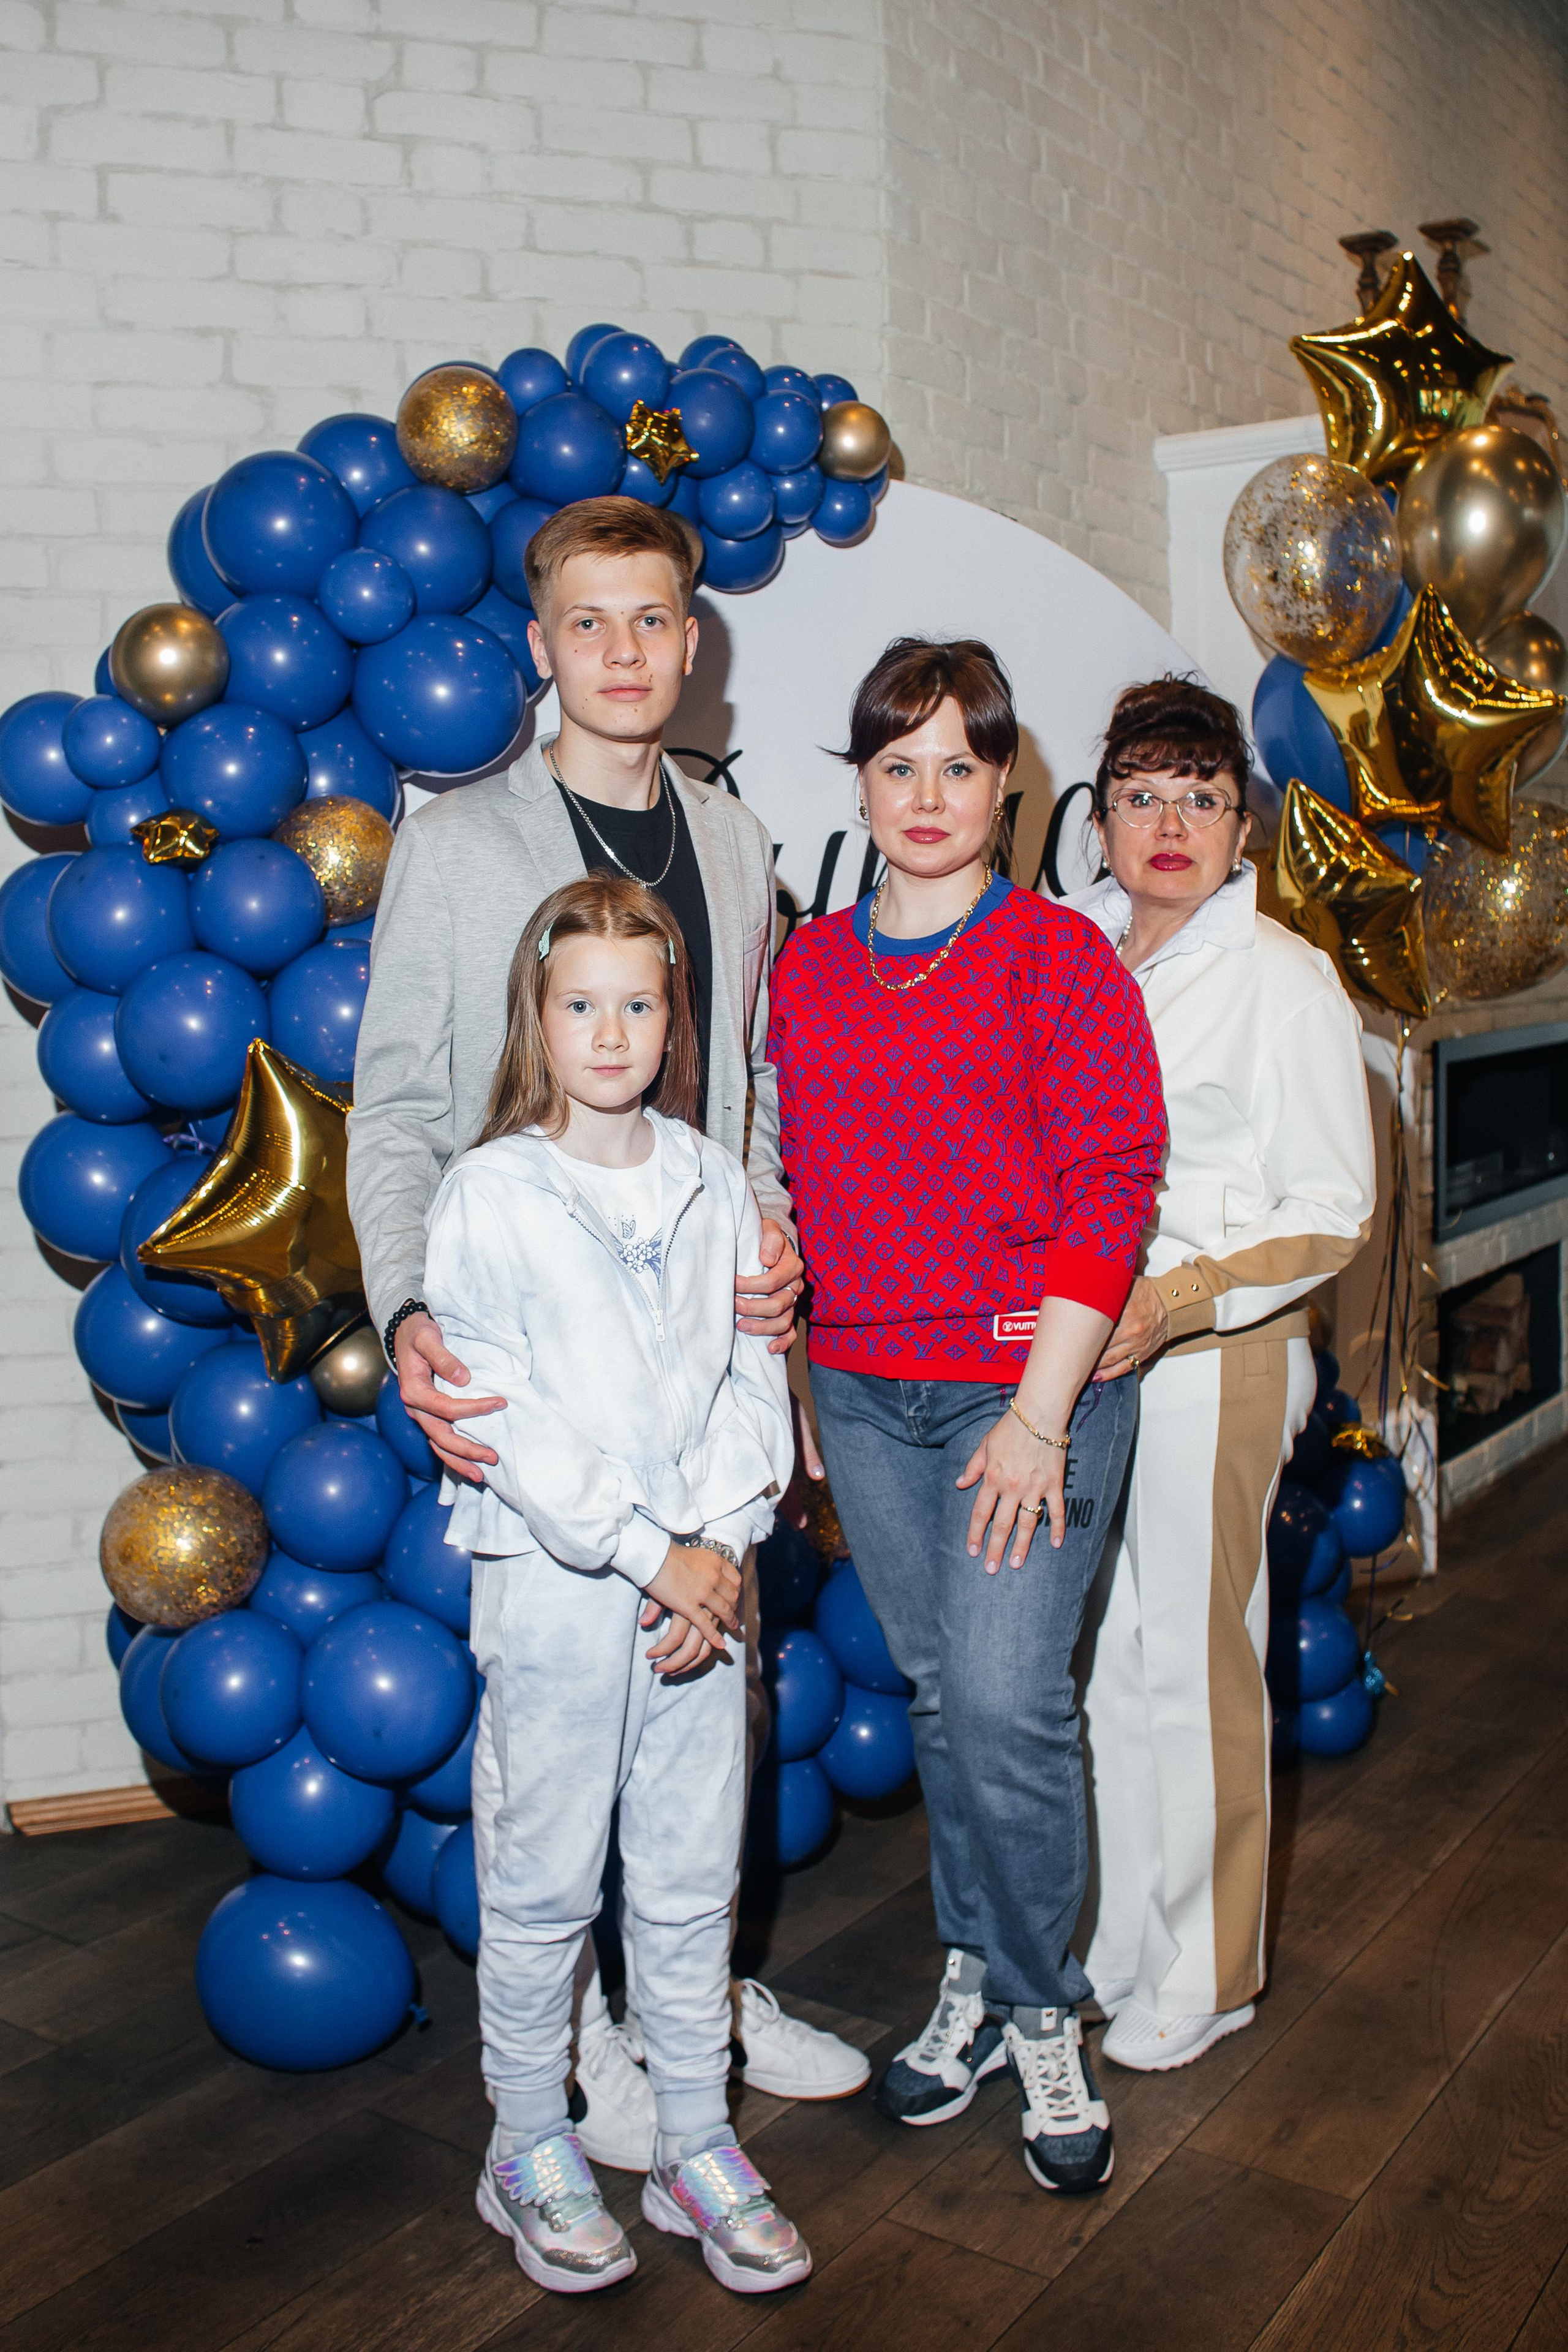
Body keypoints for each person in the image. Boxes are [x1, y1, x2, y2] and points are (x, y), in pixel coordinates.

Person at [346, 497, 868, 2167]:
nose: (626, 652)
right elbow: (399, 1103)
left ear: (691, 642)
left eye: (655, 621)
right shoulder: (459, 841)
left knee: (706, 1683)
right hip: (535, 1355)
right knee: (560, 1736)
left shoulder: (730, 836)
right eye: (592, 623)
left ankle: (686, 2005)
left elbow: (756, 1083)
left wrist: (771, 1238)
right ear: (541, 646)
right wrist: (411, 1302)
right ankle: (572, 2047)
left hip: (700, 1345)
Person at [767, 638, 1166, 2196]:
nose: (926, 796)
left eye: (958, 764)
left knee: (1006, 1705)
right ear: (859, 786)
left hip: (1027, 1385)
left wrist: (1038, 1416)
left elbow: (1108, 1193)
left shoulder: (1063, 959)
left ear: (1008, 784)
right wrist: (793, 1385)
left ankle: (1038, 2004)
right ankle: (977, 1972)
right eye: (895, 765)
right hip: (864, 1395)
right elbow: (788, 1192)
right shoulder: (805, 968)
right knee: (942, 1699)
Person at [424, 873, 809, 2296]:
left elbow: (745, 1377)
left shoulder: (713, 1178)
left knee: (690, 1869)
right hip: (561, 1588)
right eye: (579, 1004)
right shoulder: (490, 1192)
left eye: (636, 1005)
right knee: (540, 1877)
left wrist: (716, 1546)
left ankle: (696, 2140)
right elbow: (505, 1412)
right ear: (537, 1015)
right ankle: (526, 2140)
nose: (608, 1030)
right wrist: (656, 1554)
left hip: (704, 1592)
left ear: (671, 1018)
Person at [1066, 676, 1375, 2072]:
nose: (1170, 823)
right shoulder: (1070, 955)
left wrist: (1174, 1298)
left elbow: (1329, 1206)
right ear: (1101, 815)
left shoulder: (1280, 979)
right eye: (1142, 794)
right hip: (1076, 1361)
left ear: (1240, 823)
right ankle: (1127, 1939)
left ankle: (1210, 1968)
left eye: (1200, 795)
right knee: (1106, 1671)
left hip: (1217, 1358)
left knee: (1193, 1666)